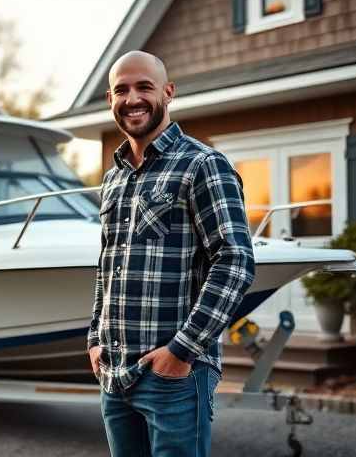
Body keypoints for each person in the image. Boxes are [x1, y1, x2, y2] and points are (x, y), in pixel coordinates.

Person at [88, 50, 255, 457]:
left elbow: (235, 261)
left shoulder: (203, 165)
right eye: (121, 90)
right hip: (115, 373)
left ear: (168, 91)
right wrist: (96, 336)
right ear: (110, 99)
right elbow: (108, 264)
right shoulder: (113, 178)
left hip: (174, 377)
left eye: (144, 87)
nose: (133, 99)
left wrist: (181, 351)